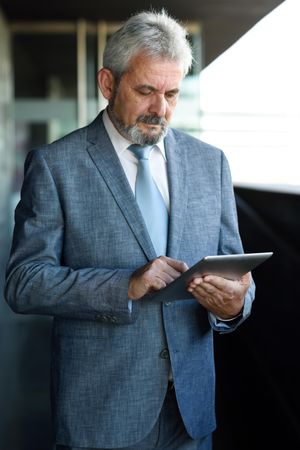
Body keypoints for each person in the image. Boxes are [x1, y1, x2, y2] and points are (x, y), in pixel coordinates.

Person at [5, 9, 255, 450]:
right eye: (146, 91)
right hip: (100, 413)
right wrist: (125, 284)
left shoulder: (210, 163)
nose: (161, 109)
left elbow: (236, 275)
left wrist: (234, 305)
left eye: (173, 93)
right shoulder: (56, 165)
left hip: (190, 413)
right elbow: (24, 283)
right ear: (107, 84)